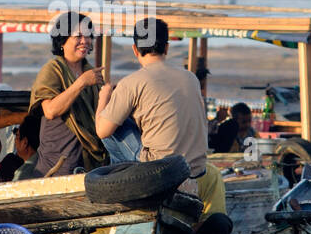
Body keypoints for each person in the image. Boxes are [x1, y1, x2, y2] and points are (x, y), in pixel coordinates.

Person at [96, 17, 227, 219]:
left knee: (111, 127)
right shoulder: (191, 78)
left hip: (161, 172)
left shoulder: (131, 83)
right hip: (195, 170)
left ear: (134, 49)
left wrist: (104, 98)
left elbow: (102, 131)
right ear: (166, 47)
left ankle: (119, 185)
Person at [30, 11, 109, 176]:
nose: (84, 41)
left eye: (88, 36)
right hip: (57, 162)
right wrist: (80, 83)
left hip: (88, 163)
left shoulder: (91, 72)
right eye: (78, 36)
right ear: (62, 40)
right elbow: (50, 111)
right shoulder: (52, 70)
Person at [0, 106, 44, 182]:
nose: (15, 141)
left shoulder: (22, 175)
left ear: (25, 143)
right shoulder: (46, 161)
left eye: (17, 137)